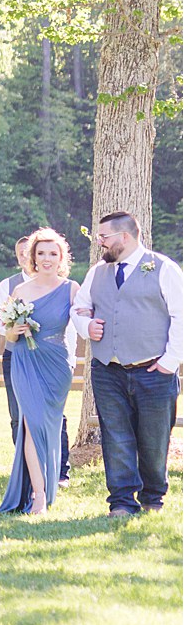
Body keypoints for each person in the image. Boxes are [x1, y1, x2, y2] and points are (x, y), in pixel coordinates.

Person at [73, 211, 183, 517]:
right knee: (115, 435)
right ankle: (121, 502)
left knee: (154, 438)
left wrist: (169, 362)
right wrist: (87, 326)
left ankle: (153, 498)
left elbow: (183, 317)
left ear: (125, 237)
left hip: (154, 371)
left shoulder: (164, 269)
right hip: (108, 370)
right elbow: (79, 308)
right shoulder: (97, 272)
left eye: (104, 237)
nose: (100, 243)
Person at [0, 229, 79, 515]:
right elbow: (9, 337)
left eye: (53, 253)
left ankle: (48, 484)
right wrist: (14, 330)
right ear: (32, 257)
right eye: (41, 253)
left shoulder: (71, 289)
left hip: (57, 364)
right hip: (25, 362)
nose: (46, 259)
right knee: (30, 424)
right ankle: (39, 494)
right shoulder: (20, 290)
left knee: (49, 427)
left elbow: (80, 327)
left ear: (61, 258)